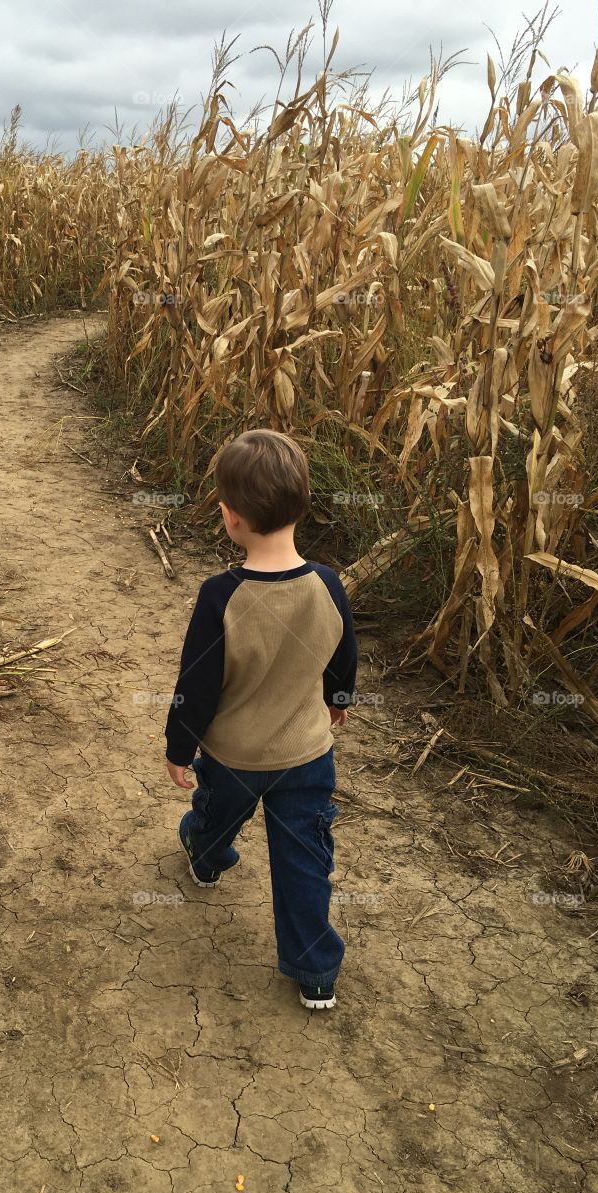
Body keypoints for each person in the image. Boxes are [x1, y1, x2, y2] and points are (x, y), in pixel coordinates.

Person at [164, 428, 357, 1010]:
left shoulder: (220, 596)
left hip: (233, 756)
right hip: (306, 755)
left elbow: (195, 686)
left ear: (231, 516)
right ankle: (315, 971)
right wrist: (338, 700)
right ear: (301, 505)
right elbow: (343, 653)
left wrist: (179, 746)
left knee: (218, 816)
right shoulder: (327, 584)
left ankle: (207, 857)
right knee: (305, 860)